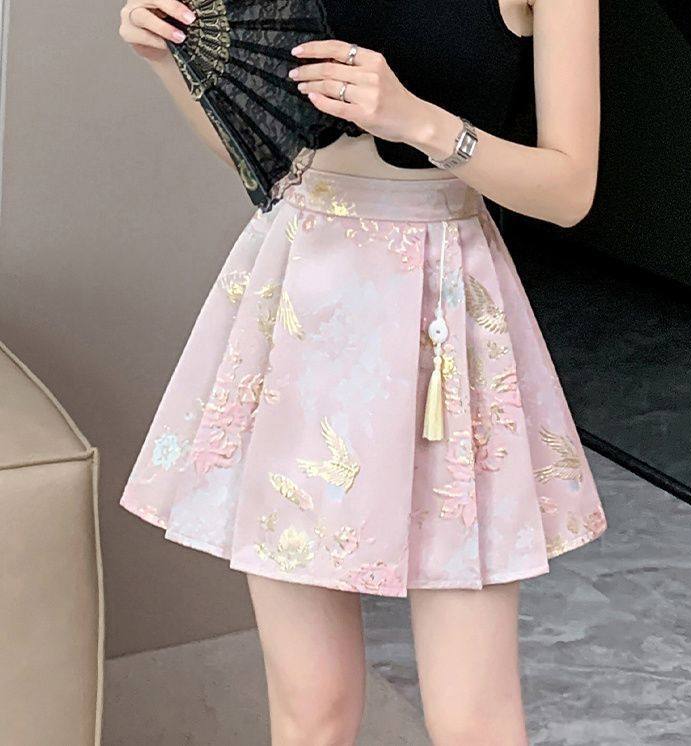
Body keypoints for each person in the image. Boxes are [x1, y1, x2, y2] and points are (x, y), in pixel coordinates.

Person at [118, 1, 606, 743]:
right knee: (311, 708)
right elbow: (270, 159)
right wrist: (164, 59)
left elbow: (569, 191)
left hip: (443, 305)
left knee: (471, 719)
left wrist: (419, 122)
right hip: (301, 299)